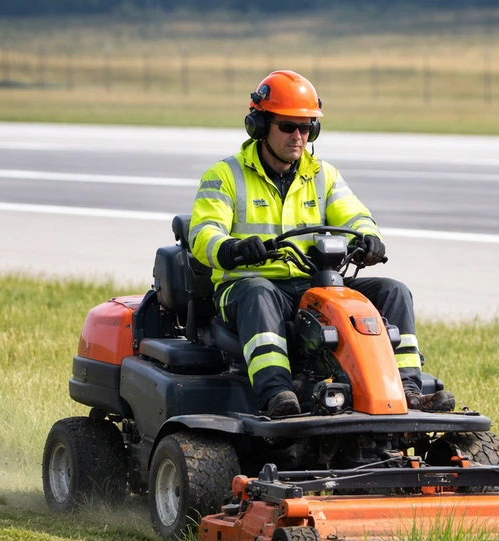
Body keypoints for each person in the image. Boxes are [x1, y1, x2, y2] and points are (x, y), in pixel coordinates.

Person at [190, 70, 454, 418]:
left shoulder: (323, 175)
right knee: (259, 292)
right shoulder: (225, 175)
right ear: (259, 125)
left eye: (307, 127)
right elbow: (203, 234)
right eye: (288, 126)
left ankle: (407, 389)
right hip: (243, 287)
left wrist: (368, 239)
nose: (298, 136)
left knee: (394, 291)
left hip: (312, 286)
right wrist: (233, 249)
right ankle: (276, 394)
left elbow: (355, 215)